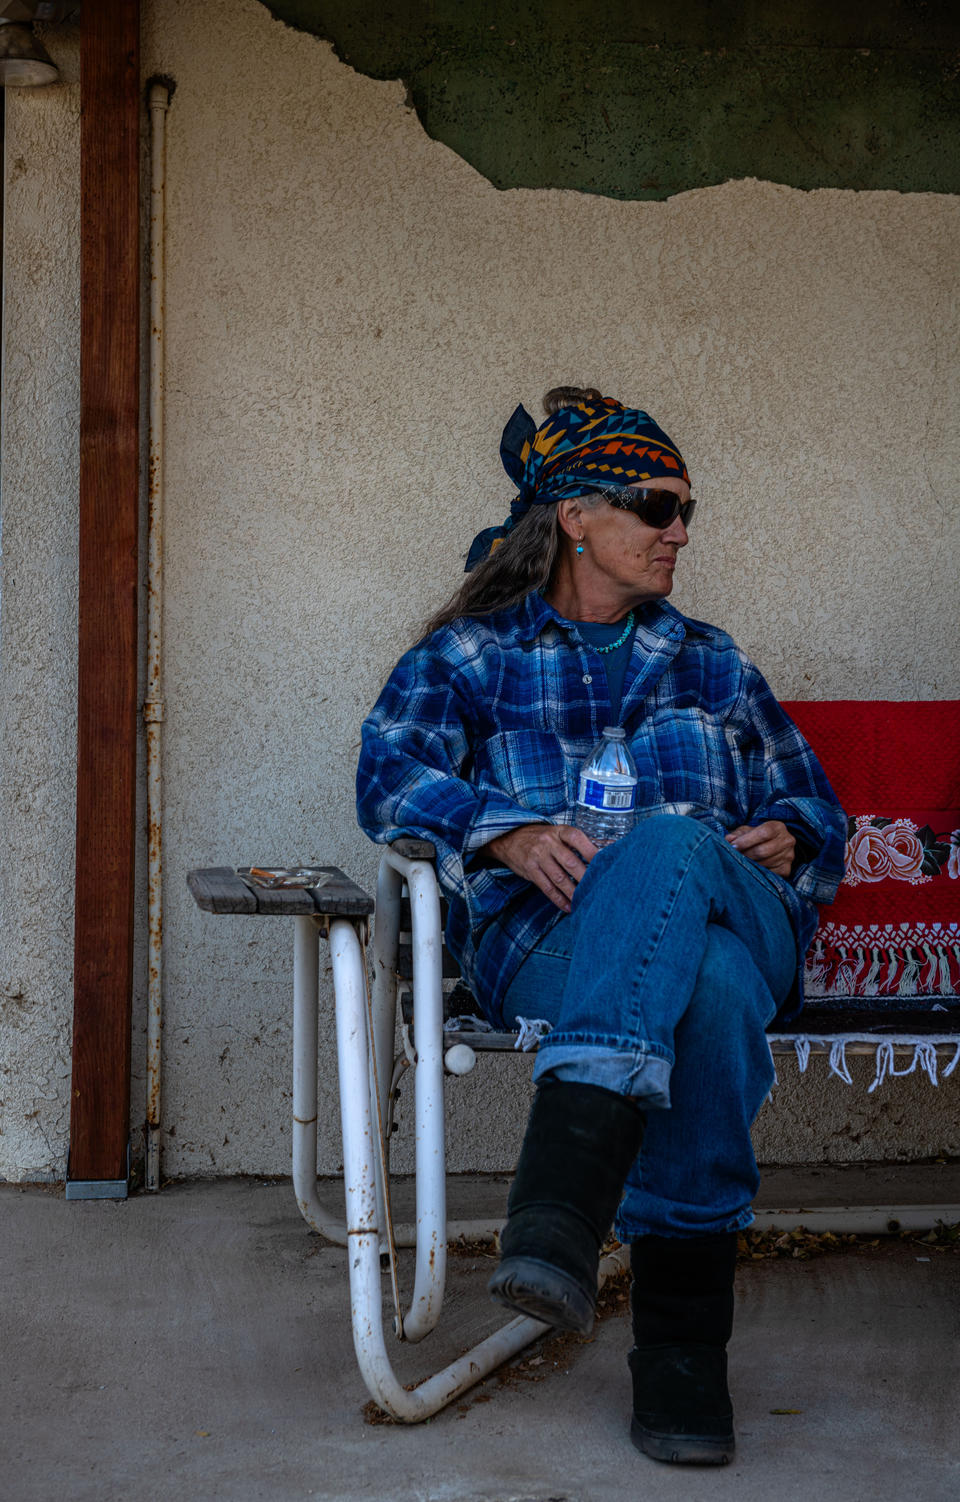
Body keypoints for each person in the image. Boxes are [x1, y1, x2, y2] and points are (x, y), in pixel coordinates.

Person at [356, 387, 845, 1466]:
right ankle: (681, 1352)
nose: (679, 531)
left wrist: (782, 834)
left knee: (671, 843)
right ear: (575, 513)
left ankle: (561, 1205)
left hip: (735, 909)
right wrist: (501, 831)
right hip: (550, 948)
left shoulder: (710, 660)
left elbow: (815, 802)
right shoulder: (470, 657)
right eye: (657, 505)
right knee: (706, 990)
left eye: (685, 512)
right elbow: (387, 775)